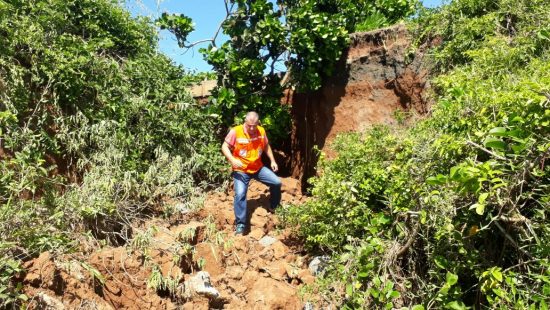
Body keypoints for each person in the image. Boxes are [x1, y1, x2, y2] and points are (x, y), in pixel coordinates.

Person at [221, 111, 282, 235]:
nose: (252, 128)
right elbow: (224, 147)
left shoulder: (261, 131)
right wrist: (232, 160)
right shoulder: (236, 131)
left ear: (258, 123)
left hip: (257, 168)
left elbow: (266, 146)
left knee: (276, 182)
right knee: (240, 194)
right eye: (250, 125)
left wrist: (273, 161)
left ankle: (274, 206)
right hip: (241, 170)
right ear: (245, 122)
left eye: (255, 125)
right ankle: (241, 225)